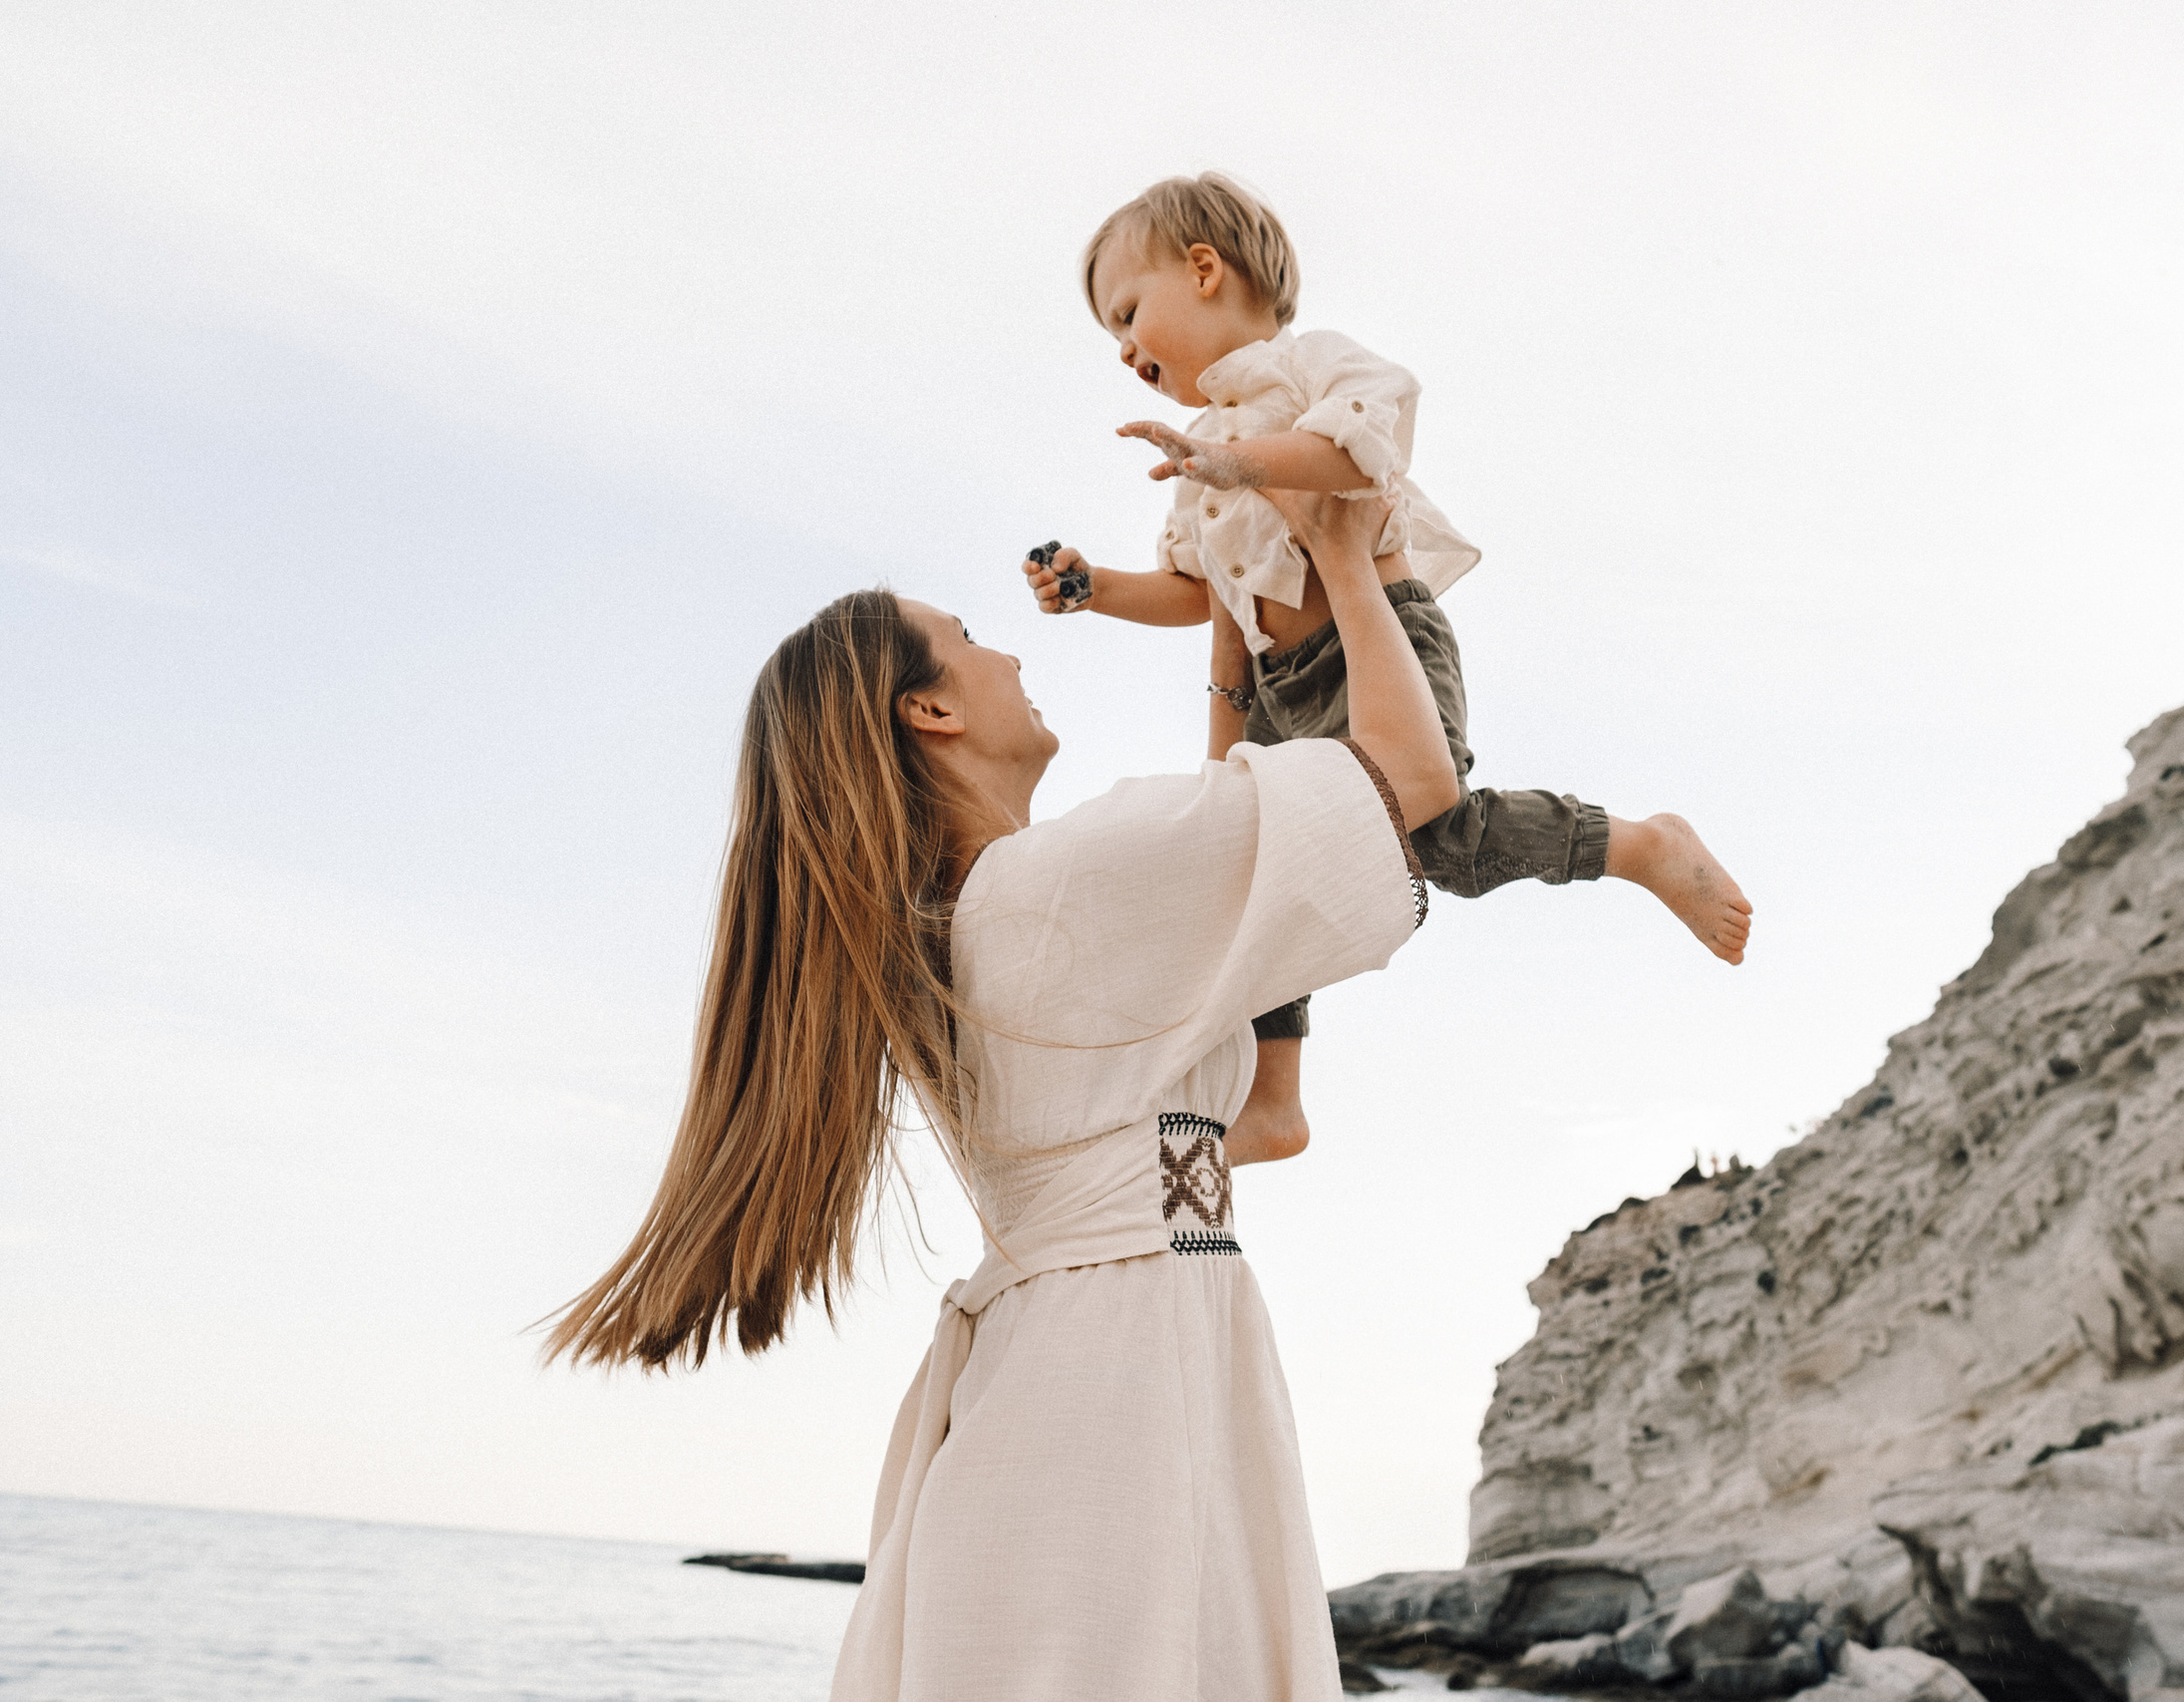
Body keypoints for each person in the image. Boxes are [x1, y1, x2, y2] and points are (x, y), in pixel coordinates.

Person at [545, 489, 1459, 1700]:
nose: (1012, 655)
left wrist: (1231, 641)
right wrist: (1341, 553)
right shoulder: (1061, 886)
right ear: (927, 709)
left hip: (1076, 1364)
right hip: (1121, 1381)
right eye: (971, 639)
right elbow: (1413, 778)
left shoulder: (972, 925)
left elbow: (1232, 900)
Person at [1023, 170, 1752, 1167]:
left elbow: (1362, 454)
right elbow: (1194, 590)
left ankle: (1639, 846)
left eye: (1126, 312)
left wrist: (1244, 463)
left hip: (1378, 644)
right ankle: (1274, 1098)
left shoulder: (1307, 368)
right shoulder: (1198, 454)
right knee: (1256, 865)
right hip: (1280, 688)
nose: (1122, 347)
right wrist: (1096, 587)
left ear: (1203, 270)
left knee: (1445, 838)